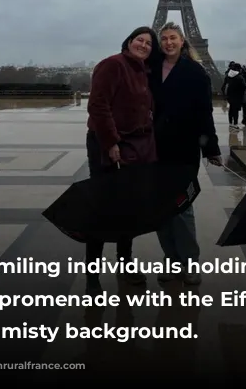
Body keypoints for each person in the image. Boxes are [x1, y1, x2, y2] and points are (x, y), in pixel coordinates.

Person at [85, 26, 161, 296]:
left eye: (149, 43)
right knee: (102, 206)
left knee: (128, 206)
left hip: (135, 146)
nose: (143, 45)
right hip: (109, 144)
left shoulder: (143, 71)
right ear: (128, 42)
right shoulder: (112, 65)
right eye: (139, 40)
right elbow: (97, 105)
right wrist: (111, 142)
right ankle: (92, 274)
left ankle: (125, 261)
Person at [150, 22, 222, 286]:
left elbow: (205, 113)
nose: (168, 43)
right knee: (161, 208)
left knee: (182, 206)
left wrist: (211, 148)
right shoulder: (151, 69)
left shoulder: (196, 72)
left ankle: (189, 261)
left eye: (173, 38)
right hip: (155, 148)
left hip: (182, 149)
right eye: (164, 39)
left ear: (183, 42)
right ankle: (171, 258)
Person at [222, 61, 246, 130]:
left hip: (230, 96)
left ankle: (230, 123)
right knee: (236, 111)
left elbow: (223, 86)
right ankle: (235, 124)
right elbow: (244, 87)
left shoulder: (228, 76)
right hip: (238, 96)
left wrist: (225, 95)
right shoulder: (240, 77)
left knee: (231, 109)